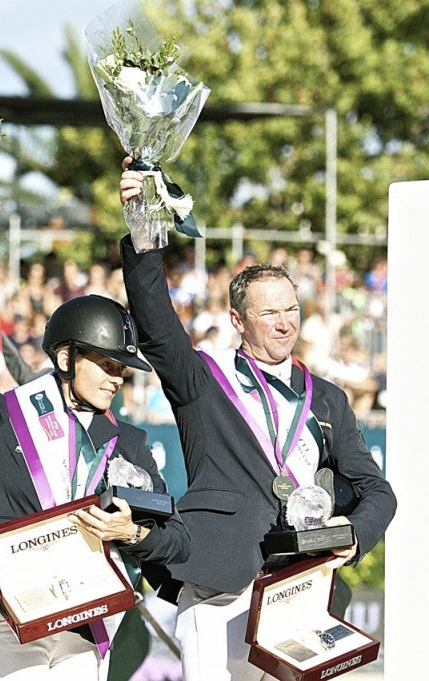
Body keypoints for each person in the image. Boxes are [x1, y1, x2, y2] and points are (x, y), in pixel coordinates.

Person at [117, 160, 396, 681]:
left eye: (291, 309)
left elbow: (378, 490)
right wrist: (142, 225)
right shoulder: (203, 379)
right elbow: (155, 322)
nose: (285, 322)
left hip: (300, 585)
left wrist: (352, 533)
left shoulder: (327, 398)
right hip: (219, 581)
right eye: (269, 313)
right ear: (238, 320)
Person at [0, 189, 189, 681]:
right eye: (104, 364)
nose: (115, 378)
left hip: (87, 629)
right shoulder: (7, 419)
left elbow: (175, 541)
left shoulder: (132, 445)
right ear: (65, 360)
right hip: (13, 625)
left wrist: (133, 532)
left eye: (120, 368)